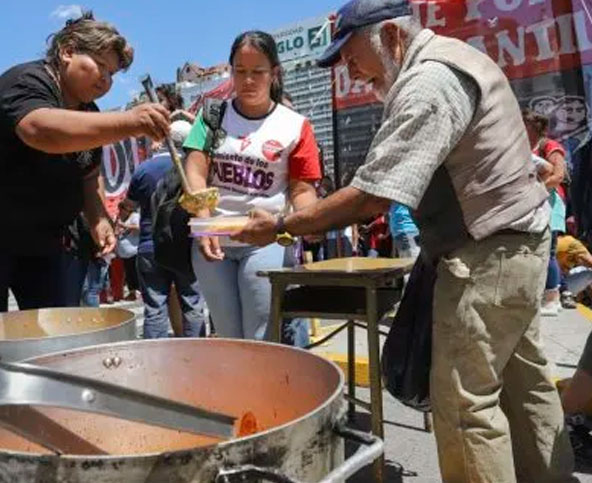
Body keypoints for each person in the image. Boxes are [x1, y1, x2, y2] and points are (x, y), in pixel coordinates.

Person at [234, 1, 574, 480]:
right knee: (526, 386)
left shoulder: (429, 81)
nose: (351, 72)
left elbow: (373, 195)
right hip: (516, 246)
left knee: (463, 405)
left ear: (392, 36)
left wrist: (283, 225)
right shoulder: (453, 58)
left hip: (486, 254)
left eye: (353, 57)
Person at [0, 12, 171, 318]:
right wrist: (131, 121)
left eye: (112, 74)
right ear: (68, 51)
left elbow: (88, 175)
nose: (105, 79)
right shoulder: (24, 82)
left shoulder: (90, 113)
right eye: (100, 65)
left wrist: (98, 218)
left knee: (53, 327)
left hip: (43, 236)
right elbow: (41, 130)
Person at [183, 31, 321, 340]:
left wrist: (309, 219)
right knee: (229, 335)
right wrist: (204, 222)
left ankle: (263, 388)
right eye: (240, 71)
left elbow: (301, 189)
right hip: (213, 241)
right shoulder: (210, 116)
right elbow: (195, 174)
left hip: (266, 240)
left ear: (274, 73)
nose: (247, 81)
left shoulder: (295, 126)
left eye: (257, 72)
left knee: (261, 334)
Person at [119, 120, 207, 338]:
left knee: (155, 309)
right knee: (193, 304)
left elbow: (127, 208)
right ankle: (197, 357)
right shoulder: (193, 168)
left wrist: (119, 218)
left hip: (150, 246)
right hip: (186, 247)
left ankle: (155, 360)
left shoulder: (143, 170)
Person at [523, 110, 569, 316]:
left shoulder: (550, 146)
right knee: (537, 249)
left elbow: (558, 175)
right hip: (535, 203)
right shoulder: (525, 148)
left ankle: (553, 299)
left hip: (551, 202)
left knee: (548, 249)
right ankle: (545, 295)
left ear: (534, 126)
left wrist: (535, 189)